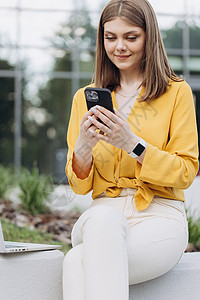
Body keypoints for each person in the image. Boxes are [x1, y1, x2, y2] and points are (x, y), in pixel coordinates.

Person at [63, 0, 199, 299]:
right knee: (103, 219)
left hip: (159, 217)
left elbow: (186, 172)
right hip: (101, 213)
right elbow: (79, 185)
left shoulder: (176, 92)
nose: (119, 47)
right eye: (110, 37)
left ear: (149, 37)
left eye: (131, 37)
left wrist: (132, 144)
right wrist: (84, 149)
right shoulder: (83, 99)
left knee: (77, 261)